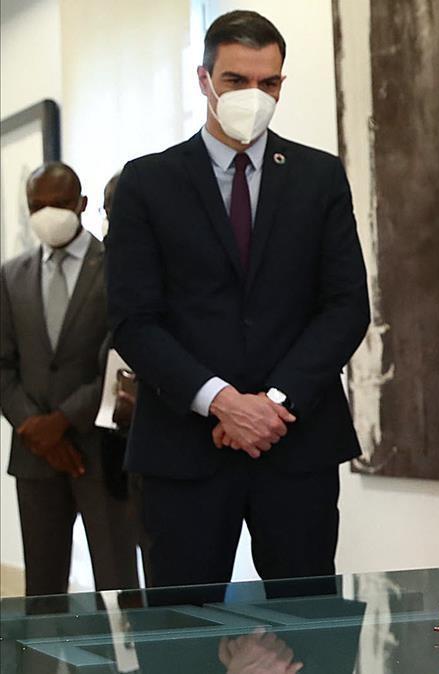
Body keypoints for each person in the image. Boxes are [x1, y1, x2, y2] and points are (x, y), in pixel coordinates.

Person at [105, 10, 369, 587]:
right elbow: (133, 320)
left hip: (297, 444)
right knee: (179, 638)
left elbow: (346, 306)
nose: (254, 95)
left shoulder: (318, 177)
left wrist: (270, 404)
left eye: (268, 83)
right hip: (183, 451)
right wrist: (222, 401)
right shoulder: (147, 184)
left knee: (309, 631)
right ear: (204, 80)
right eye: (236, 81)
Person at [0, 161, 140, 595]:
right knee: (42, 593)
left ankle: (126, 666)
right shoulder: (11, 275)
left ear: (80, 203)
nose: (47, 213)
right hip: (34, 454)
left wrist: (61, 422)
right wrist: (33, 427)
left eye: (58, 203)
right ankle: (41, 668)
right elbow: (3, 363)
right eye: (36, 205)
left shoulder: (118, 266)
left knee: (118, 588)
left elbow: (121, 360)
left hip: (102, 448)